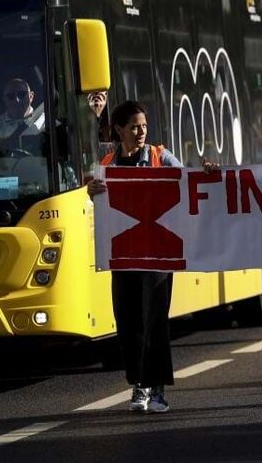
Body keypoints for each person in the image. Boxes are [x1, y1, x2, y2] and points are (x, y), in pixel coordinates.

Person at [87, 100, 217, 413]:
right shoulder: (107, 162)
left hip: (158, 254)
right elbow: (93, 196)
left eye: (144, 125)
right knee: (128, 321)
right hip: (125, 255)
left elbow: (187, 183)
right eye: (134, 126)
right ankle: (138, 383)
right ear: (119, 131)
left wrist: (207, 172)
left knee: (153, 320)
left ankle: (155, 390)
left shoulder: (160, 156)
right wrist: (92, 189)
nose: (141, 131)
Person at [0, 78, 45, 145]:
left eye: (21, 94)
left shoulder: (45, 121)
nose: (17, 100)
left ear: (31, 97)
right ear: (4, 100)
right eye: (10, 96)